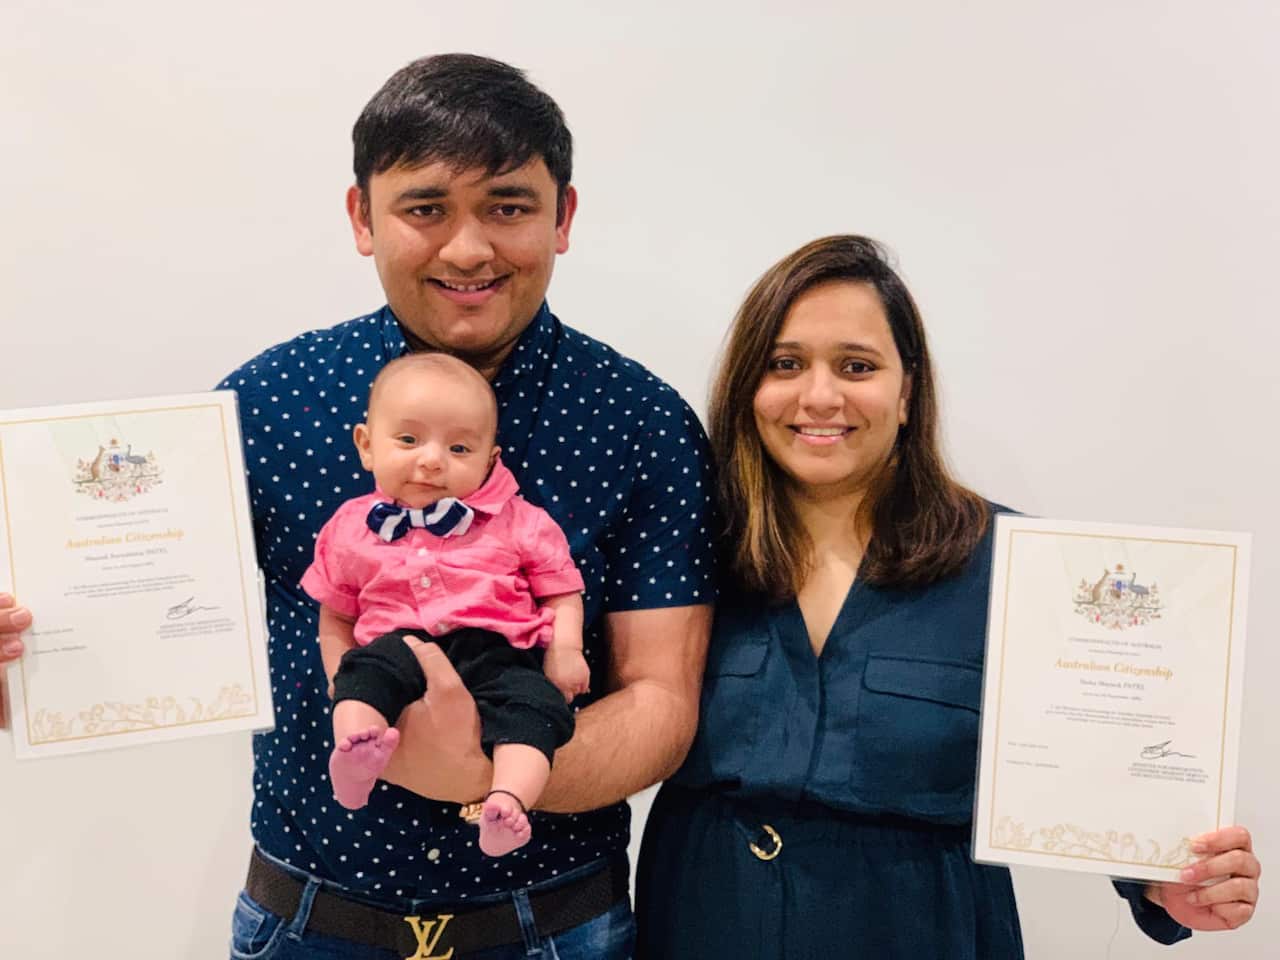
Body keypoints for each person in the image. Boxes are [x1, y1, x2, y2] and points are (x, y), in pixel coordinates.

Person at [2, 53, 714, 960]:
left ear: (564, 216)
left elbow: (661, 699)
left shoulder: (641, 421)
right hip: (307, 924)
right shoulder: (265, 407)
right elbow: (144, 633)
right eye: (425, 208)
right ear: (361, 217)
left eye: (508, 205)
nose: (468, 248)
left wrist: (482, 773)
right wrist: (38, 664)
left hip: (558, 928)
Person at [634, 235, 1262, 958]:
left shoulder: (1023, 568)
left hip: (922, 932)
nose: (818, 395)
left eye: (857, 366)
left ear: (907, 393)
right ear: (749, 387)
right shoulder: (677, 555)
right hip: (706, 924)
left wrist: (1168, 880)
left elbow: (1101, 765)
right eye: (785, 363)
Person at [304, 352, 590, 858]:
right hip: (397, 646)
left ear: (490, 460)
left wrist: (565, 649)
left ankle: (508, 800)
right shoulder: (349, 527)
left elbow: (561, 588)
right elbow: (337, 613)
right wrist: (339, 677)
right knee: (365, 676)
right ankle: (353, 757)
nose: (432, 460)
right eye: (409, 440)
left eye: (459, 447)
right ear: (367, 446)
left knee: (536, 710)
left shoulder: (517, 519)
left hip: (496, 651)